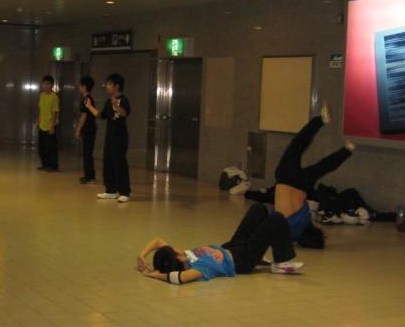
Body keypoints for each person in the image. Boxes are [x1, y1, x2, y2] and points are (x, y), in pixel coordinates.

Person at [137, 203, 304, 285]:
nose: (179, 250)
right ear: (178, 261)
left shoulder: (184, 256)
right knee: (276, 219)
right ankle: (282, 262)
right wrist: (156, 275)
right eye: (177, 253)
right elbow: (178, 278)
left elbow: (158, 241)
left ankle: (262, 256)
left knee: (258, 209)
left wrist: (142, 256)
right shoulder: (197, 270)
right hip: (242, 260)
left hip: (230, 246)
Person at [274, 102, 356, 241]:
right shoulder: (286, 231)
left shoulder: (302, 224)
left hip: (302, 186)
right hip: (285, 179)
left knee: (322, 167)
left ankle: (347, 150)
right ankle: (321, 120)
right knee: (296, 146)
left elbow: (306, 208)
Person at [83, 73, 131, 203]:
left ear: (117, 86)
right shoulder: (108, 101)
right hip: (109, 136)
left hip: (120, 137)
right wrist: (89, 107)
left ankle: (124, 192)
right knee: (108, 163)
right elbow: (101, 115)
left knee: (119, 164)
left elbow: (124, 113)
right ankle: (111, 190)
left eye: (109, 84)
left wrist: (116, 105)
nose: (107, 87)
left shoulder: (123, 99)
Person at [75, 76, 97, 184]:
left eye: (80, 85)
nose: (79, 87)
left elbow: (84, 115)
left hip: (89, 128)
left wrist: (78, 129)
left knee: (87, 153)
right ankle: (89, 175)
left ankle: (90, 176)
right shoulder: (87, 98)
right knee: (87, 152)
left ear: (84, 87)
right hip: (89, 128)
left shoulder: (87, 99)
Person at [36, 75, 60, 172]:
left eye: (48, 84)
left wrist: (52, 126)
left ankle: (53, 166)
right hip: (42, 125)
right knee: (41, 146)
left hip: (50, 125)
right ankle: (45, 164)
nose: (45, 86)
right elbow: (40, 110)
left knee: (51, 147)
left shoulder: (54, 97)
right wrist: (38, 120)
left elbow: (55, 112)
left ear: (52, 85)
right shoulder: (41, 95)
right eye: (44, 84)